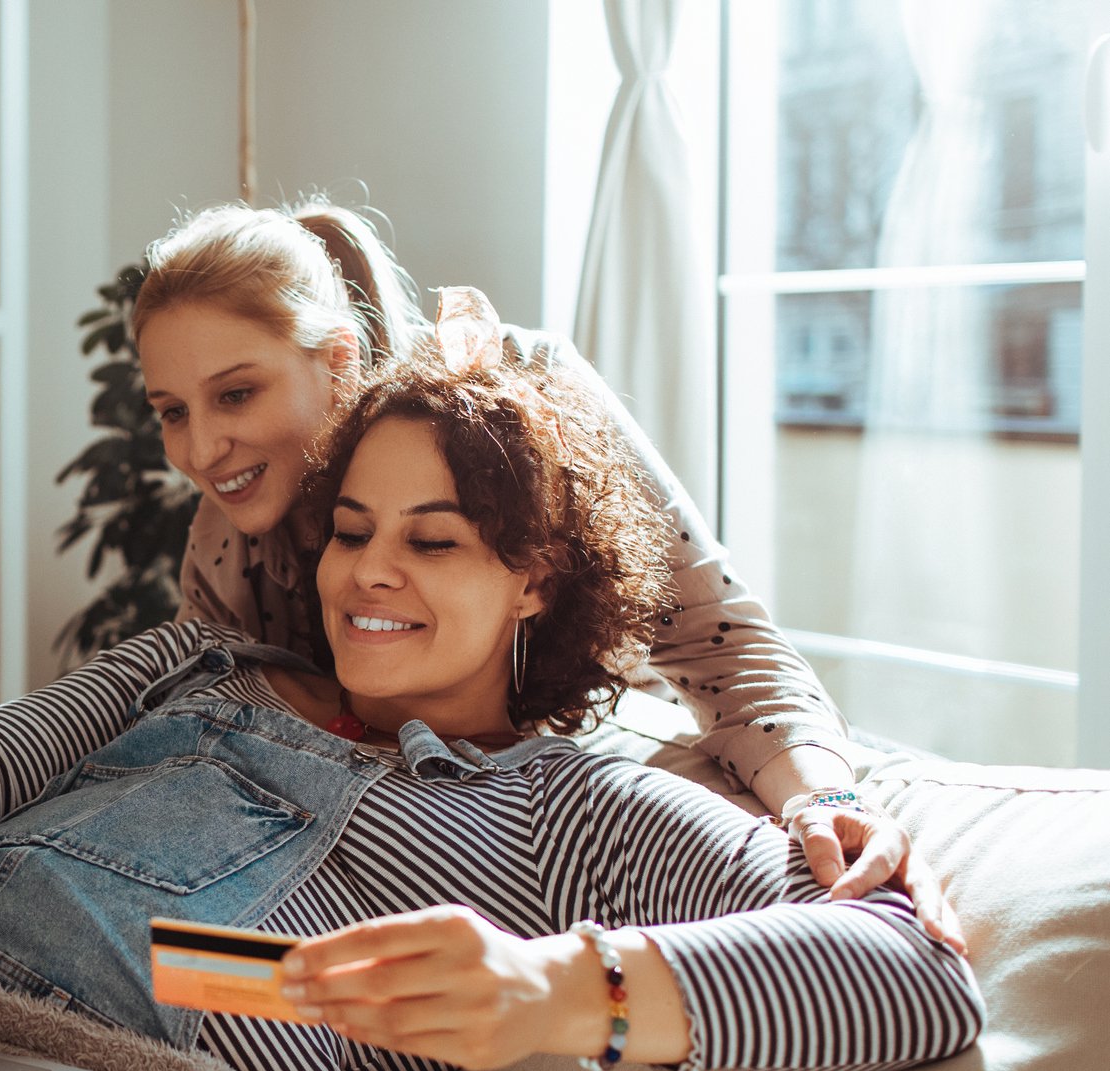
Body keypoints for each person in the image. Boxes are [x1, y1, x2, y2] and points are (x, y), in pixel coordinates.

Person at [0, 345, 983, 1071]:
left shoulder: (566, 807)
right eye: (350, 530)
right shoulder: (195, 661)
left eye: (432, 542)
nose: (369, 572)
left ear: (534, 579)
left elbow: (918, 974)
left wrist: (554, 990)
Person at [131, 201, 962, 947]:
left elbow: (719, 644)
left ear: (338, 360)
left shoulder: (520, 406)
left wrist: (826, 800)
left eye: (235, 395)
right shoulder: (228, 538)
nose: (199, 450)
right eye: (171, 412)